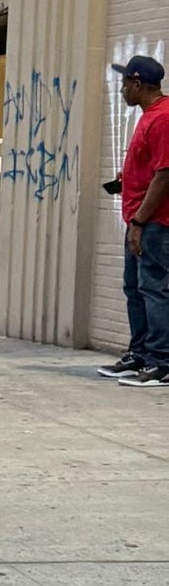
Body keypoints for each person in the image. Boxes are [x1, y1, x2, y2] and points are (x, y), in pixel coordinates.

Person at [105, 55, 169, 384]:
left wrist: (141, 221)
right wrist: (127, 176)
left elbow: (165, 174)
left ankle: (161, 362)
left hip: (155, 223)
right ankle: (141, 354)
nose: (121, 90)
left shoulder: (163, 118)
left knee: (154, 288)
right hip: (140, 219)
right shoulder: (149, 117)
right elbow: (151, 167)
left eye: (125, 84)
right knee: (135, 288)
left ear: (138, 84)